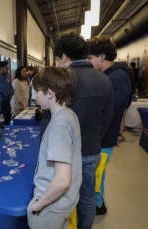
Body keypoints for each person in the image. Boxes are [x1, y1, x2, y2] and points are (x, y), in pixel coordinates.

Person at [41, 32, 114, 229]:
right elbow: (108, 116)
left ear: (63, 57)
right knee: (88, 197)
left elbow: (50, 121)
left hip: (64, 153)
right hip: (91, 149)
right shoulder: (105, 80)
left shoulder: (62, 81)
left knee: (60, 197)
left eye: (57, 59)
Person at [27, 67, 82, 229]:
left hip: (51, 205)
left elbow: (63, 180)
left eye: (37, 91)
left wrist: (38, 205)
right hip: (65, 201)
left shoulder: (59, 124)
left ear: (50, 93)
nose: (35, 96)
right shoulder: (69, 114)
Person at [88, 37, 132, 215]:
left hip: (104, 136)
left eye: (91, 58)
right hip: (101, 134)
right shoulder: (109, 76)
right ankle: (97, 203)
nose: (89, 63)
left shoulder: (118, 78)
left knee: (98, 174)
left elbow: (112, 111)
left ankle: (98, 205)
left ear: (102, 56)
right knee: (98, 172)